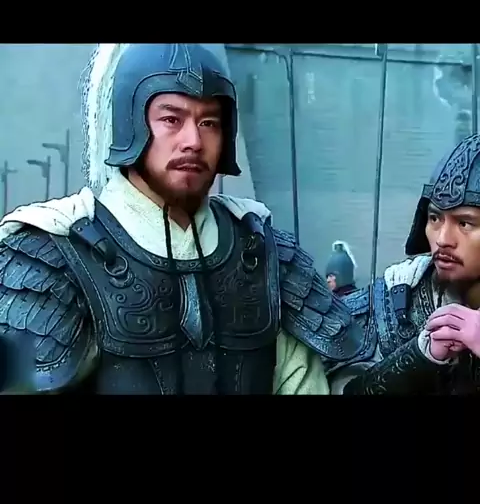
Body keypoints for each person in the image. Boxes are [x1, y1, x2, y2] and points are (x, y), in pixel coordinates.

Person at [0, 43, 365, 395]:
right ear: (131, 124)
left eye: (209, 122)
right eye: (171, 119)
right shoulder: (55, 253)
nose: (193, 140)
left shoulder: (263, 252)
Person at [329, 133, 480, 395]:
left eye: (464, 223)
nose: (443, 239)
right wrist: (421, 355)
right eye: (435, 218)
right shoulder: (390, 300)